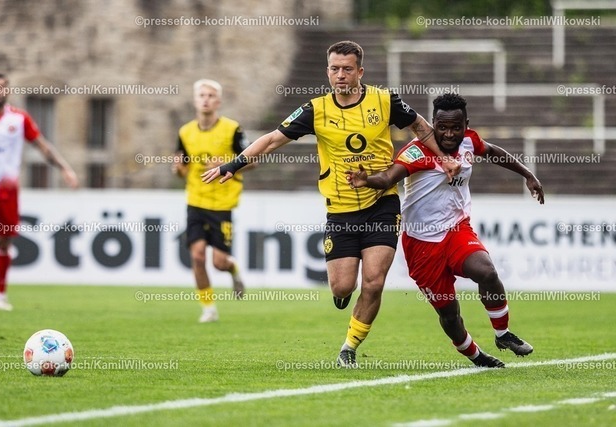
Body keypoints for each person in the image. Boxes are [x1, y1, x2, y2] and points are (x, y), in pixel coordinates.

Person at [202, 41, 460, 367]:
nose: (340, 75)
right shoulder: (316, 110)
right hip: (340, 210)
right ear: (327, 72)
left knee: (374, 281)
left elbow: (420, 126)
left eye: (347, 69)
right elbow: (272, 139)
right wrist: (234, 164)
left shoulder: (384, 100)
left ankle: (348, 347)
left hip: (382, 203)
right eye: (335, 69)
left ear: (360, 71)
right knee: (341, 286)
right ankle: (343, 296)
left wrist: (445, 158)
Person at [346, 93, 544, 367]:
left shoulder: (469, 141)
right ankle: (476, 356)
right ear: (433, 124)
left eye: (456, 127)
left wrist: (527, 175)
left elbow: (492, 152)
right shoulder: (417, 151)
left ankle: (503, 334)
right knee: (449, 314)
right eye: (442, 127)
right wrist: (367, 180)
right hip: (421, 244)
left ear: (466, 125)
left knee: (486, 272)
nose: (449, 134)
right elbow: (389, 177)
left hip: (456, 230)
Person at [0, 73, 79, 311]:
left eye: (3, 87)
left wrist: (65, 169)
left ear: (8, 91)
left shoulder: (19, 119)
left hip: (8, 190)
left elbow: (42, 146)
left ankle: (1, 294)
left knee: (3, 242)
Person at [173, 79, 247, 323]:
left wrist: (228, 165)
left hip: (222, 204)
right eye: (201, 95)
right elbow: (182, 167)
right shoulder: (185, 132)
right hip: (196, 200)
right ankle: (209, 309)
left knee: (219, 262)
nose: (206, 99)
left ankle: (233, 269)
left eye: (211, 95)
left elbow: (253, 160)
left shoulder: (232, 129)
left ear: (218, 101)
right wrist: (178, 169)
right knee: (197, 256)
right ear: (195, 100)